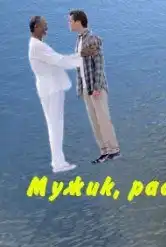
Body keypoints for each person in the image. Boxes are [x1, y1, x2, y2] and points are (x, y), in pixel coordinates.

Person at [28, 16, 97, 173]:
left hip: (51, 89)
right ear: (36, 26)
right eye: (44, 26)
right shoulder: (37, 47)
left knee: (55, 125)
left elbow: (59, 60)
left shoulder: (38, 45)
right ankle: (58, 164)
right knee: (55, 125)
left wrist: (80, 56)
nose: (46, 29)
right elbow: (60, 61)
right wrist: (82, 57)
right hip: (51, 90)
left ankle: (58, 161)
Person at [69, 9, 120, 164]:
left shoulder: (92, 39)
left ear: (78, 21)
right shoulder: (78, 40)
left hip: (96, 87)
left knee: (103, 119)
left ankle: (114, 150)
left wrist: (97, 87)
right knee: (94, 121)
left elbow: (99, 64)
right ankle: (104, 151)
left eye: (70, 21)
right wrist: (80, 88)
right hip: (86, 87)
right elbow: (80, 66)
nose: (69, 23)